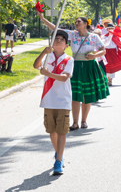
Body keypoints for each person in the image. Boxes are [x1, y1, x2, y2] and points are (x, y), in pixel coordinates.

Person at [37, 12, 108, 130]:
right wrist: (43, 19)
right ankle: (75, 123)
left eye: (78, 22)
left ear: (85, 24)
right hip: (75, 66)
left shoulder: (94, 37)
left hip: (89, 66)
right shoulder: (73, 35)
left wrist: (94, 56)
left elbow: (103, 50)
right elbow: (56, 29)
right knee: (75, 95)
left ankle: (84, 121)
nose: (76, 23)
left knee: (86, 95)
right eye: (75, 22)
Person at [33, 30, 74, 175]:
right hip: (48, 100)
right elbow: (35, 65)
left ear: (66, 45)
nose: (58, 41)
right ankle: (58, 154)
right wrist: (44, 52)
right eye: (56, 38)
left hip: (63, 100)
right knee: (52, 131)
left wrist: (48, 74)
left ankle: (58, 161)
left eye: (62, 39)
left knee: (62, 131)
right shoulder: (48, 57)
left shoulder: (69, 60)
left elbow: (64, 78)